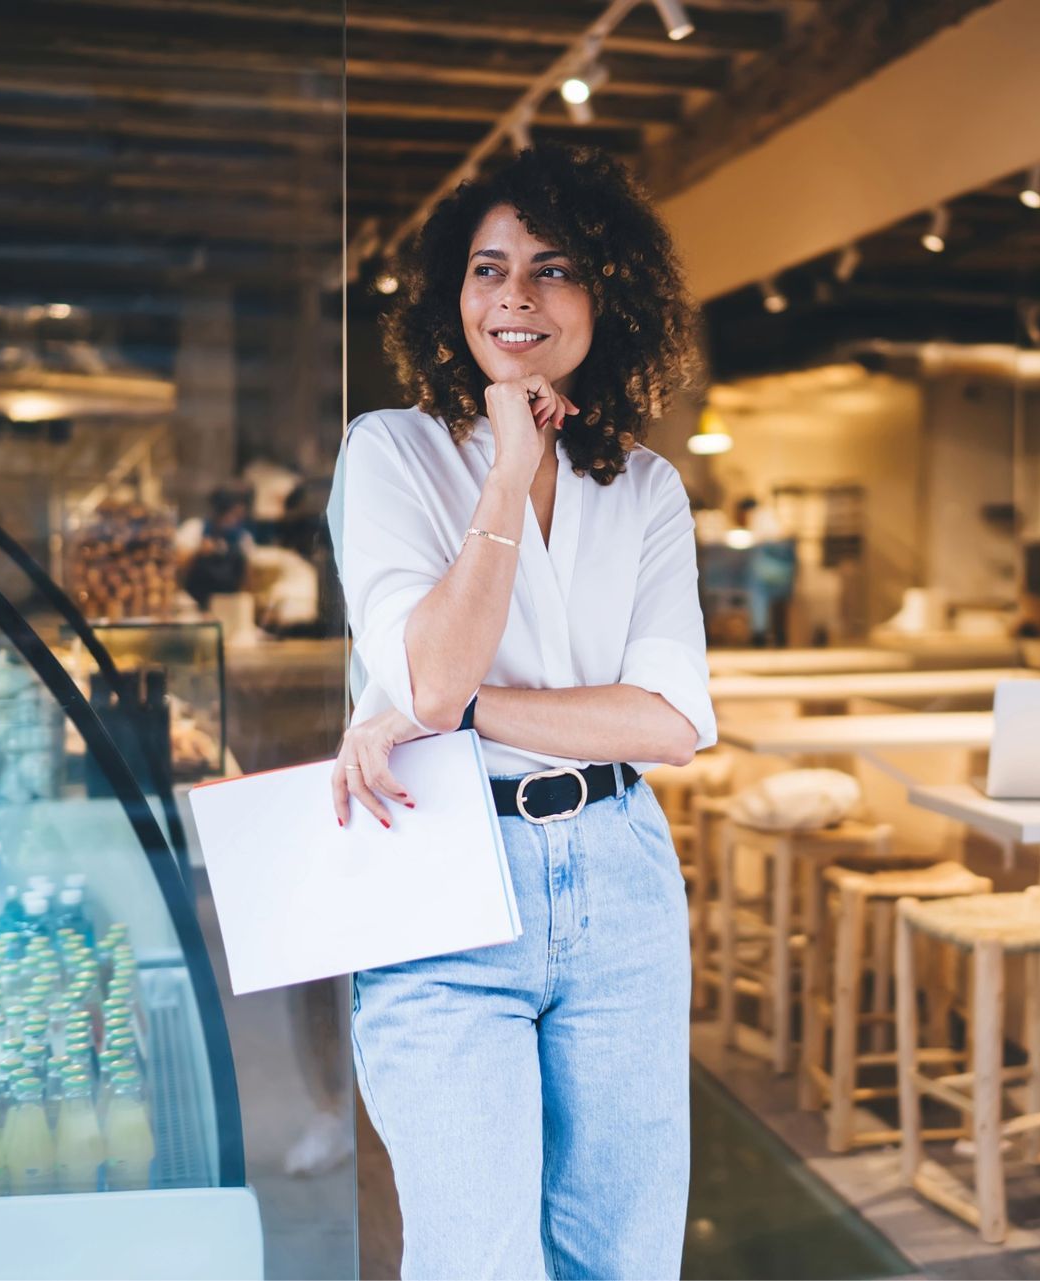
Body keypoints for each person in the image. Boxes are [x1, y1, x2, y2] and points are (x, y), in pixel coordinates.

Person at [326, 143, 713, 1280]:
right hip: (440, 877)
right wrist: (505, 470)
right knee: (474, 1258)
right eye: (489, 269)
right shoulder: (390, 452)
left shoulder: (643, 487)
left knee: (624, 1255)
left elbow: (668, 725)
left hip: (618, 873)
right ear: (455, 297)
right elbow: (428, 680)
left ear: (608, 297)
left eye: (553, 270)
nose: (516, 298)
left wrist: (466, 707)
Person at [176, 482, 255, 606]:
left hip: (229, 603)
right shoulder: (195, 529)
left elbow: (247, 576)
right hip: (196, 602)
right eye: (233, 513)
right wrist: (198, 551)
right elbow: (178, 564)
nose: (235, 519)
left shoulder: (244, 538)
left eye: (240, 514)